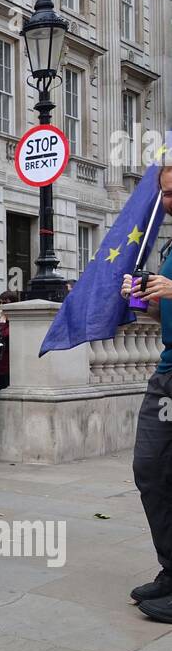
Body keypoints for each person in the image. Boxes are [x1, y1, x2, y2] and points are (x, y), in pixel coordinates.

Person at [123, 162, 172, 621]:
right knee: (150, 470)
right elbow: (163, 319)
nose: (168, 202)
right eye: (165, 194)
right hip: (166, 375)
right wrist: (148, 302)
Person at [0, 290, 18, 390]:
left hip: (11, 365)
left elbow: (4, 335)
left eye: (4, 303)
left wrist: (2, 322)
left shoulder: (15, 320)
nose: (1, 306)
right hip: (1, 364)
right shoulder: (4, 320)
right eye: (0, 302)